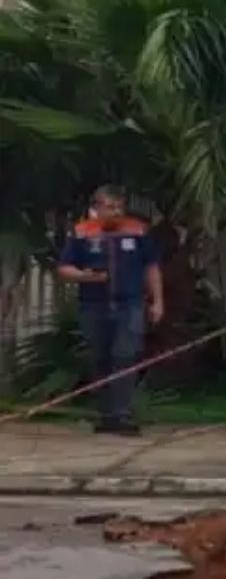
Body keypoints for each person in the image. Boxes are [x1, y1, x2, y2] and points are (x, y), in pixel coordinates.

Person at [55, 186, 164, 435]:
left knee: (125, 355)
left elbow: (151, 267)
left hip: (130, 304)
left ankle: (122, 415)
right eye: (110, 207)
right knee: (100, 358)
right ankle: (106, 416)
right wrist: (85, 276)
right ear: (97, 207)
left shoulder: (137, 230)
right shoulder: (82, 232)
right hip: (94, 305)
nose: (116, 212)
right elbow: (64, 268)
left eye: (119, 207)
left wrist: (158, 301)